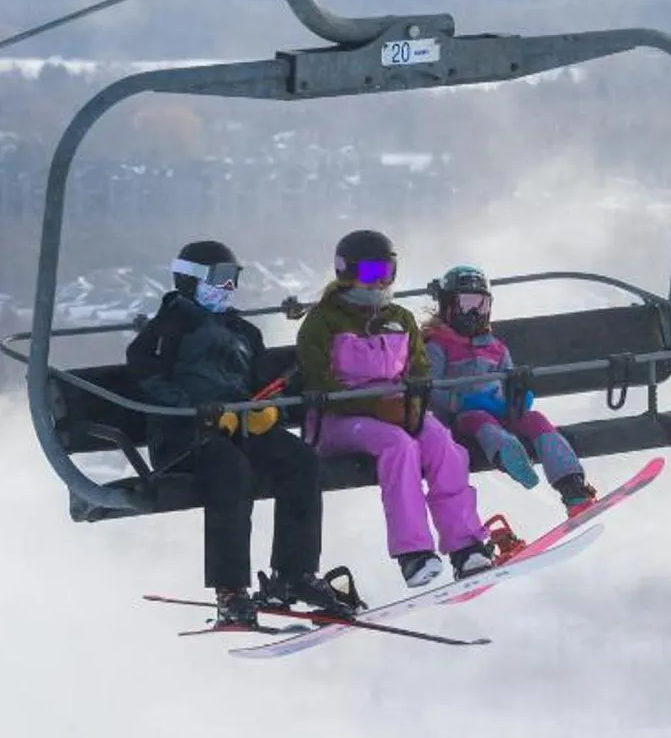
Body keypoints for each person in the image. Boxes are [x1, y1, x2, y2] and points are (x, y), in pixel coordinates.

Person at [127, 240, 357, 628]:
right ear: (190, 280)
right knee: (231, 471)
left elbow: (259, 382)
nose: (228, 288)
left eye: (233, 279)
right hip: (185, 440)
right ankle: (230, 590)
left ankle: (294, 573)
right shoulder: (170, 327)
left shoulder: (243, 331)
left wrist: (261, 408)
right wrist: (194, 412)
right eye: (220, 279)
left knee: (300, 460)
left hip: (239, 430)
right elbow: (145, 372)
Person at [292, 228, 497, 590]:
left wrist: (411, 405)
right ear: (347, 271)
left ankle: (465, 546)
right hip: (338, 421)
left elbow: (418, 370)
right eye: (373, 273)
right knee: (398, 445)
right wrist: (376, 406)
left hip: (398, 411)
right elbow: (319, 381)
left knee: (442, 444)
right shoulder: (323, 321)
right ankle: (414, 554)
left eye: (388, 273)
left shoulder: (399, 318)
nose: (381, 282)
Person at [422, 265, 599, 513]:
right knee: (479, 419)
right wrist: (457, 402)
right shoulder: (437, 345)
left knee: (536, 420)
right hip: (462, 418)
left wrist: (518, 395)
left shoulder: (496, 348)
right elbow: (430, 389)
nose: (474, 311)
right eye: (467, 303)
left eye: (481, 304)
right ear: (448, 305)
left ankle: (573, 486)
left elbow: (509, 380)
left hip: (502, 412)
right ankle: (508, 454)